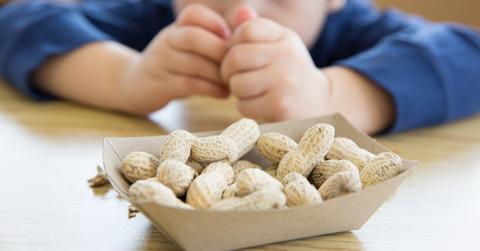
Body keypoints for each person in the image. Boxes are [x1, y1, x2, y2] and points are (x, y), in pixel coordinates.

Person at [0, 0, 479, 134]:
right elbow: (21, 19)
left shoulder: (353, 28)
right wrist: (124, 77)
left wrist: (332, 97)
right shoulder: (156, 18)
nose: (244, 11)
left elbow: (468, 53)